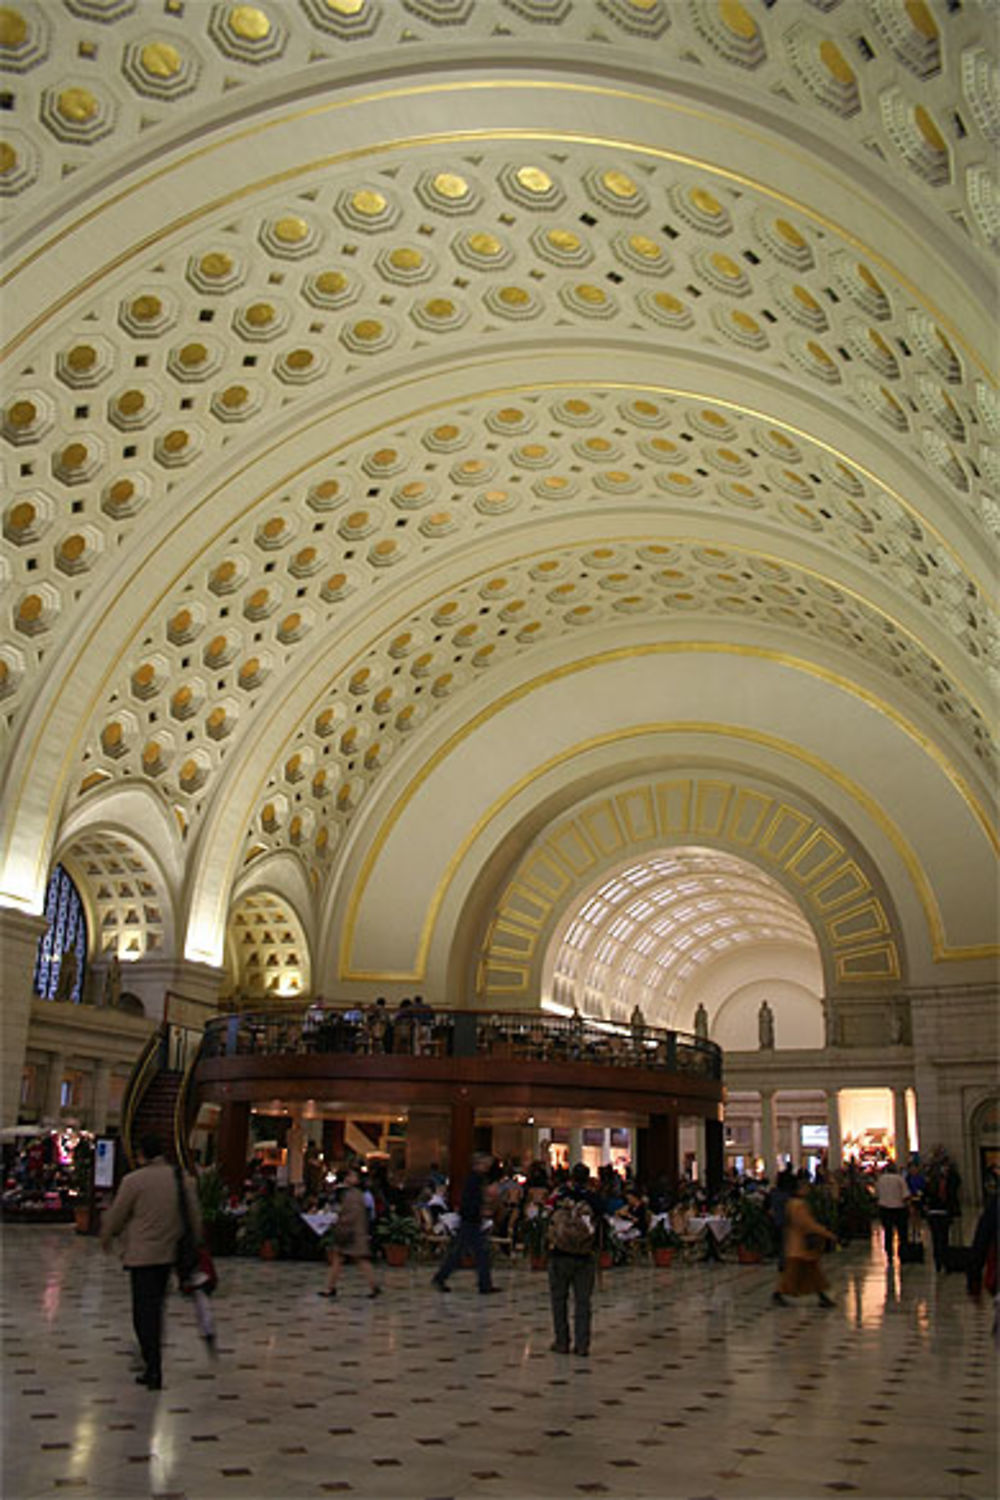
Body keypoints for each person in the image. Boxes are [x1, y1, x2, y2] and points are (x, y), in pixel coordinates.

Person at [100, 1132, 201, 1390]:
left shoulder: (135, 1181)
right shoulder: (181, 1179)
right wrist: (195, 1245)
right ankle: (153, 1362)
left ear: (142, 1154)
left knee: (142, 1312)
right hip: (168, 1255)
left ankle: (152, 1365)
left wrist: (106, 1237)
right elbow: (195, 1218)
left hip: (142, 1255)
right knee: (156, 1308)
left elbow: (117, 1215)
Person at [547, 1162, 604, 1356]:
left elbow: (549, 1215)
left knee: (559, 1300)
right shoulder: (594, 1199)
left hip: (560, 1254)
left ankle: (562, 1341)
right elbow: (602, 1223)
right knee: (583, 1302)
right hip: (584, 1256)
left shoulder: (560, 1195)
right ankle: (582, 1344)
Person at [432, 1152, 499, 1295]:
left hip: (471, 1220)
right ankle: (484, 1284)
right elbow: (471, 1201)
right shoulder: (474, 1179)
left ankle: (442, 1277)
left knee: (465, 1253)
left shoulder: (476, 1179)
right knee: (477, 1253)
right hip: (471, 1221)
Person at [773, 1179, 836, 1309]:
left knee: (810, 1273)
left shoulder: (793, 1203)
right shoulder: (798, 1205)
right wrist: (826, 1233)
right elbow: (806, 1224)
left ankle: (821, 1296)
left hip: (798, 1245)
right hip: (800, 1245)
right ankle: (779, 1293)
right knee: (797, 1273)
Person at [318, 1166, 380, 1299]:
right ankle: (331, 1287)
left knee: (355, 1260)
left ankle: (373, 1285)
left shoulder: (352, 1194)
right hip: (353, 1232)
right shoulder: (352, 1193)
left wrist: (341, 1223)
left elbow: (351, 1214)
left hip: (351, 1233)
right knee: (343, 1260)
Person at [925, 1156, 961, 1271]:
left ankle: (944, 1260)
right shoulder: (933, 1182)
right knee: (938, 1238)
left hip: (943, 1212)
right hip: (936, 1212)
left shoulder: (950, 1180)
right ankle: (939, 1262)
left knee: (943, 1237)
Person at [874, 1161, 910, 1261]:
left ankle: (889, 1253)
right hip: (899, 1208)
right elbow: (905, 1195)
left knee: (888, 1232)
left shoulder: (880, 1180)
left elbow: (876, 1194)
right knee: (902, 1233)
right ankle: (902, 1253)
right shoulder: (900, 1179)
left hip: (884, 1208)